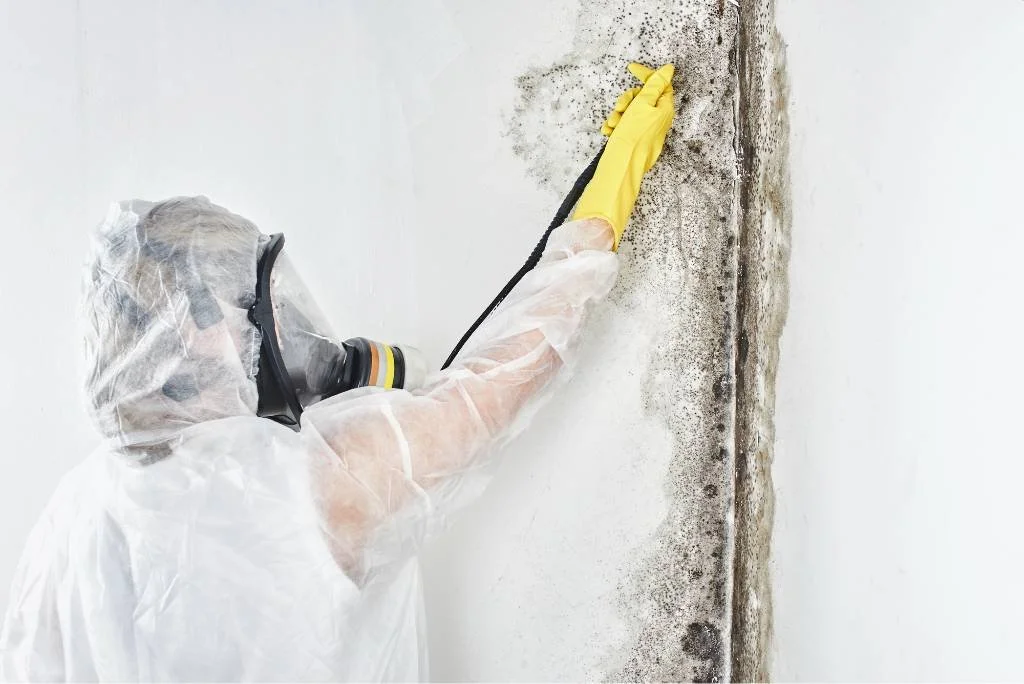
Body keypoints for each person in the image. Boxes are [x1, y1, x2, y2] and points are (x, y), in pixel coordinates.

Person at [0, 62, 675, 681]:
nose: (277, 325)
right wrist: (601, 208)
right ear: (192, 330)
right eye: (247, 301)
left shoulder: (73, 514)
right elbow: (490, 394)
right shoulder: (287, 488)